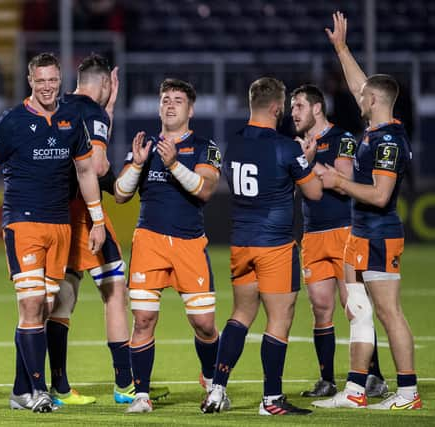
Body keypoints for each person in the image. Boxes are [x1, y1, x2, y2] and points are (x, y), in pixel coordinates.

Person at [0, 52, 106, 413]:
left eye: (53, 80)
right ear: (30, 81)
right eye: (40, 80)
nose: (47, 86)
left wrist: (98, 219)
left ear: (60, 81)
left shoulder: (73, 119)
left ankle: (20, 391)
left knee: (42, 307)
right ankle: (40, 392)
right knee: (29, 305)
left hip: (60, 225)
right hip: (22, 223)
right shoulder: (11, 122)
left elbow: (87, 172)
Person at [44, 53, 169, 405]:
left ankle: (60, 388)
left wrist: (108, 109)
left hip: (55, 211)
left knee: (63, 296)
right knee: (115, 290)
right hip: (84, 212)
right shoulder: (92, 112)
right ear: (104, 83)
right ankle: (125, 384)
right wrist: (114, 181)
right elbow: (97, 166)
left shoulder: (61, 105)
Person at [312, 11, 421, 411]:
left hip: (378, 232)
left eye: (363, 96)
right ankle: (356, 390)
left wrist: (339, 182)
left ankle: (408, 393)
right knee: (356, 309)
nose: (357, 96)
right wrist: (341, 48)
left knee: (389, 313)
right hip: (359, 234)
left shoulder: (388, 141)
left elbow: (379, 194)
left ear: (373, 102)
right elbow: (363, 83)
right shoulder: (376, 128)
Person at [201, 77, 322, 416]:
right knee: (280, 319)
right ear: (277, 108)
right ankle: (271, 399)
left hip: (241, 242)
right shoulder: (285, 147)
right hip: (275, 245)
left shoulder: (234, 142)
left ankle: (217, 389)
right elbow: (313, 192)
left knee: (241, 315)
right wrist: (306, 161)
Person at [114, 78, 221, 413]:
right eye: (165, 99)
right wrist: (137, 164)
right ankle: (142, 395)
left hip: (189, 242)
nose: (170, 105)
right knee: (143, 319)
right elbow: (119, 194)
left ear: (190, 108)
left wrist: (174, 163)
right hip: (149, 241)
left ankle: (211, 380)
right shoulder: (144, 145)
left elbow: (204, 189)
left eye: (177, 100)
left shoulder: (205, 146)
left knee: (204, 323)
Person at [290, 84, 388, 398]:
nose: (294, 113)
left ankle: (374, 376)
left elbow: (343, 180)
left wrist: (309, 162)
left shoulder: (341, 139)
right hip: (312, 233)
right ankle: (327, 380)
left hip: (345, 231)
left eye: (299, 106)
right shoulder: (298, 145)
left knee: (354, 306)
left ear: (317, 108)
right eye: (292, 107)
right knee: (321, 307)